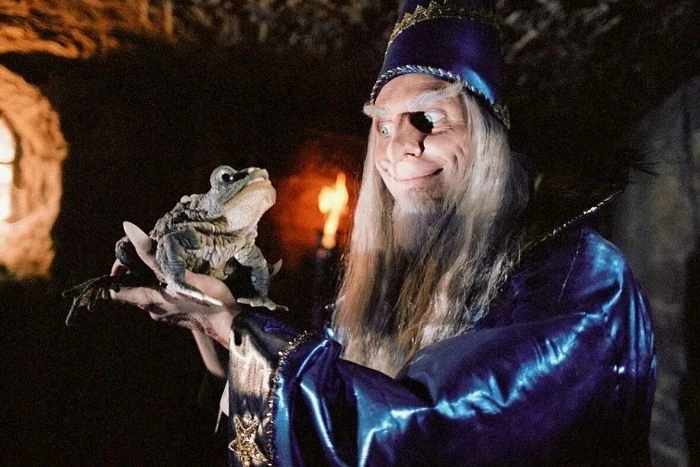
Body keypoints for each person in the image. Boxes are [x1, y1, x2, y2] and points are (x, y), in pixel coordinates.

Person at [111, 0, 656, 464]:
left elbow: (424, 434)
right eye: (384, 125)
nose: (400, 148)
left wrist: (242, 333)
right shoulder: (394, 275)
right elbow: (331, 396)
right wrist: (212, 324)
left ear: (490, 131)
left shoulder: (580, 279)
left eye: (429, 118)